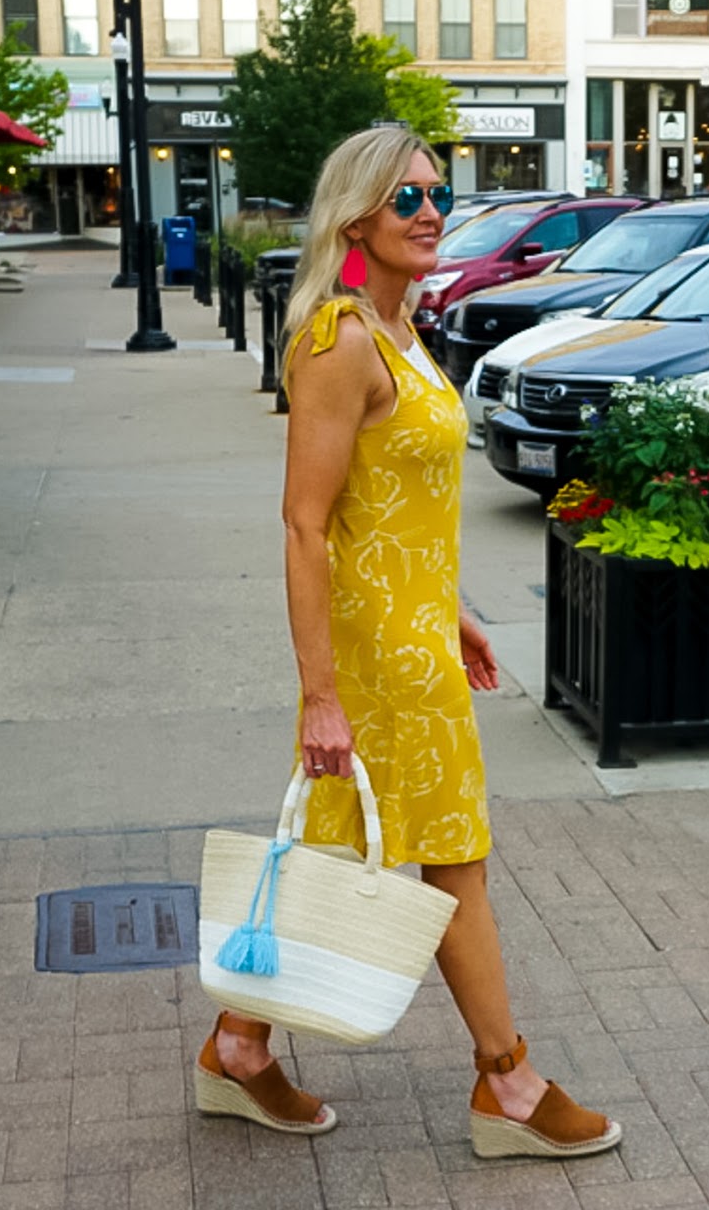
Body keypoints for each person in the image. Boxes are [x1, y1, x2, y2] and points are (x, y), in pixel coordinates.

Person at [195, 128, 622, 1159]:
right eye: (406, 202)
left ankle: (238, 1047)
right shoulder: (337, 339)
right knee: (453, 859)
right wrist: (318, 696)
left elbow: (398, 507)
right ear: (355, 221)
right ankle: (507, 1083)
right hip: (377, 660)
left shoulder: (398, 327)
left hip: (415, 637)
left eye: (436, 194)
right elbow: (305, 523)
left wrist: (455, 607)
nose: (432, 213)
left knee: (338, 848)